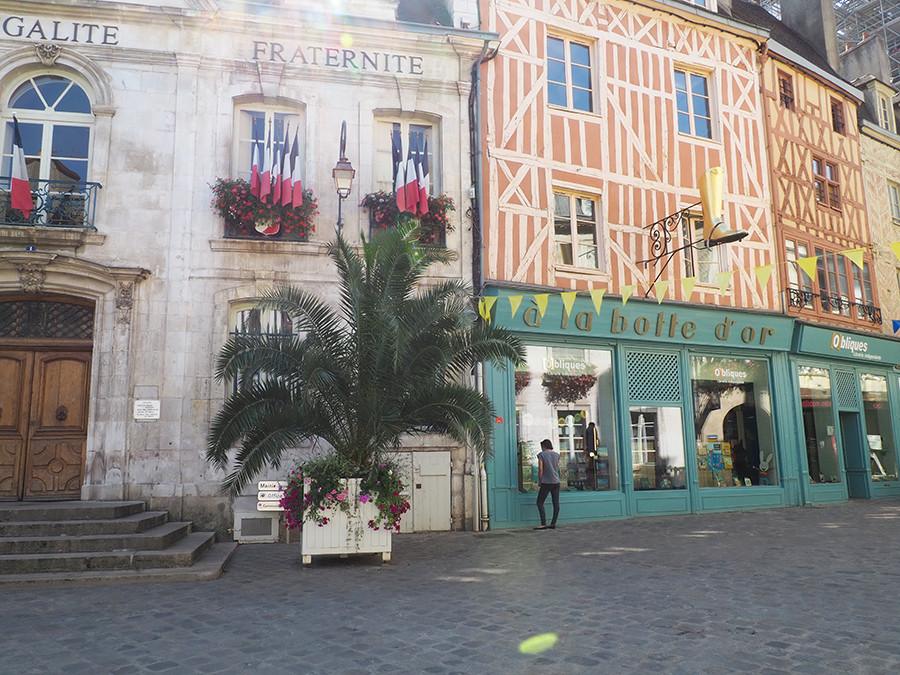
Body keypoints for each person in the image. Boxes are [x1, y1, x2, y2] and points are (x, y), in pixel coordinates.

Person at [535, 438, 560, 530]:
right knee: (556, 503)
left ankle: (543, 523)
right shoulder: (557, 455)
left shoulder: (541, 455)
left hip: (546, 482)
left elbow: (541, 469)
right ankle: (553, 523)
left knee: (539, 502)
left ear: (544, 446)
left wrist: (540, 480)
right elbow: (556, 468)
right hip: (556, 481)